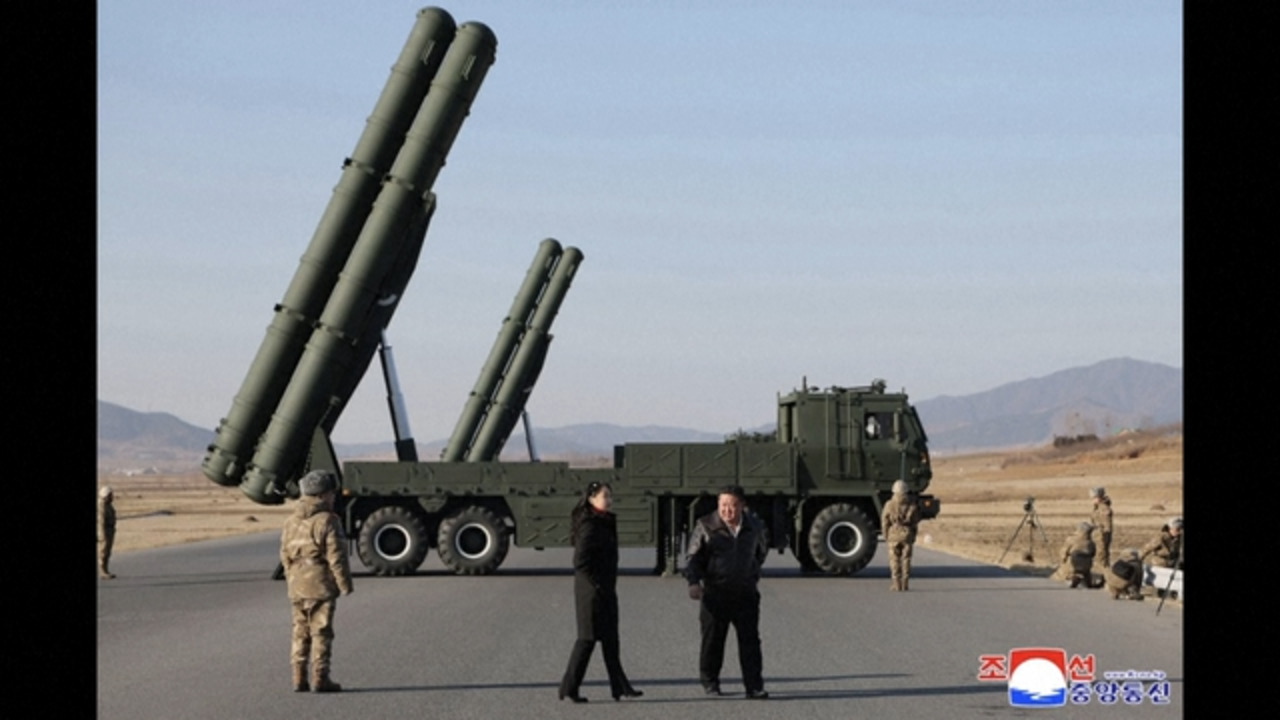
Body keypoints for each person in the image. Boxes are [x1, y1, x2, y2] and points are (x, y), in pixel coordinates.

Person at [558, 481, 642, 703]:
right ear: (591, 499)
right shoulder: (590, 524)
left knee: (611, 639)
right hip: (592, 592)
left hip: (605, 588)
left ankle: (620, 687)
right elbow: (580, 561)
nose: (609, 500)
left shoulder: (604, 521)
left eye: (610, 496)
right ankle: (569, 687)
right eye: (605, 496)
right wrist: (595, 584)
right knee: (587, 639)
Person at [685, 485, 769, 700]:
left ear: (742, 505)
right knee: (713, 641)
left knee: (750, 642)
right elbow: (693, 558)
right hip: (716, 593)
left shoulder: (755, 527)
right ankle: (710, 682)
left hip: (745, 594)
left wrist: (751, 575)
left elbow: (760, 553)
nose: (727, 510)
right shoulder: (706, 525)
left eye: (732, 505)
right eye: (723, 505)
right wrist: (694, 582)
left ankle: (754, 686)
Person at [280, 470, 353, 693]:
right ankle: (321, 677)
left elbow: (284, 554)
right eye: (331, 493)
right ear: (322, 495)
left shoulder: (291, 521)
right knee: (321, 630)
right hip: (320, 582)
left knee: (299, 630)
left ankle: (298, 677)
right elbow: (336, 556)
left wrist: (292, 577)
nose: (333, 497)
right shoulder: (328, 521)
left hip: (296, 583)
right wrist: (344, 584)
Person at [881, 479, 921, 591]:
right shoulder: (912, 505)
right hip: (907, 534)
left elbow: (885, 521)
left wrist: (886, 535)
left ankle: (896, 583)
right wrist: (913, 535)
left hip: (893, 534)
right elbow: (915, 523)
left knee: (894, 560)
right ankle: (905, 583)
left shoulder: (889, 505)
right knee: (906, 559)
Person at [1058, 521, 1096, 589]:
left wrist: (1063, 560)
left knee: (1058, 575)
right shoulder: (1090, 542)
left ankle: (1071, 578)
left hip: (1073, 563)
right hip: (1087, 564)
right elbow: (1093, 553)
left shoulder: (1071, 539)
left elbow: (1064, 551)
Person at [1089, 487, 1114, 569]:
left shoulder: (1104, 509)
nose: (1092, 500)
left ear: (1099, 497)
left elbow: (1107, 527)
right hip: (1097, 536)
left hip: (1102, 537)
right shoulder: (1097, 508)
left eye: (1094, 497)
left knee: (1102, 559)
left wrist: (1103, 540)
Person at [98, 485, 117, 579]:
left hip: (109, 531)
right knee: (103, 552)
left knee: (107, 552)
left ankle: (105, 570)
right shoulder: (101, 505)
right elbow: (100, 521)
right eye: (110, 495)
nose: (112, 496)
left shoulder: (108, 505)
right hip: (104, 531)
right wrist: (102, 535)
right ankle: (102, 571)